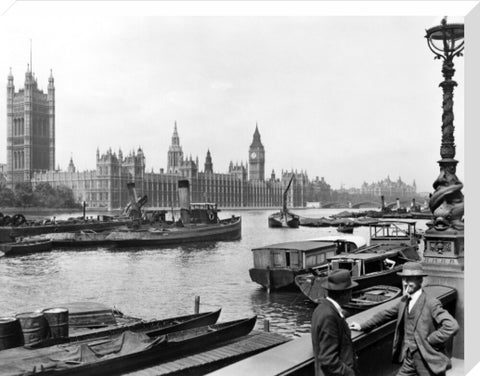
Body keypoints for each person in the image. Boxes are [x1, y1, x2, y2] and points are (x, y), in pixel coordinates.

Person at [349, 262, 458, 376]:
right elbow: (385, 314)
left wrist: (431, 339)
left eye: (410, 279)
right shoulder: (404, 301)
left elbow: (452, 326)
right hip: (409, 359)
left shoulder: (431, 303)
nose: (406, 283)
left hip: (427, 360)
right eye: (404, 279)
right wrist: (362, 326)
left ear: (420, 280)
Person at [311, 269, 359, 376]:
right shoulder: (329, 316)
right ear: (344, 293)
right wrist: (350, 373)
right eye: (350, 291)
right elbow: (328, 360)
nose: (351, 295)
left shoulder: (322, 309)